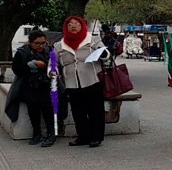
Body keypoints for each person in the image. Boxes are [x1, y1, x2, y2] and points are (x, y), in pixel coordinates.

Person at [54, 16, 110, 148]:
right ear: (66, 27)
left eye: (77, 24)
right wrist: (53, 71)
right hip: (72, 82)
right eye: (70, 24)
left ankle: (96, 137)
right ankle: (83, 136)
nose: (73, 26)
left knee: (95, 110)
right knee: (78, 111)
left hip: (92, 80)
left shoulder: (93, 40)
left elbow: (106, 54)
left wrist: (102, 54)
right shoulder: (59, 45)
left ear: (82, 26)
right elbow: (53, 62)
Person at [6, 31, 56, 147]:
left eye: (43, 43)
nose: (40, 46)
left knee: (47, 107)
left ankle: (51, 134)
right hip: (28, 85)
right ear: (30, 42)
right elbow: (17, 70)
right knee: (33, 107)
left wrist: (45, 66)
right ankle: (36, 133)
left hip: (45, 84)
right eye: (37, 43)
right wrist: (30, 66)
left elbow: (55, 66)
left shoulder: (49, 51)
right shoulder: (22, 53)